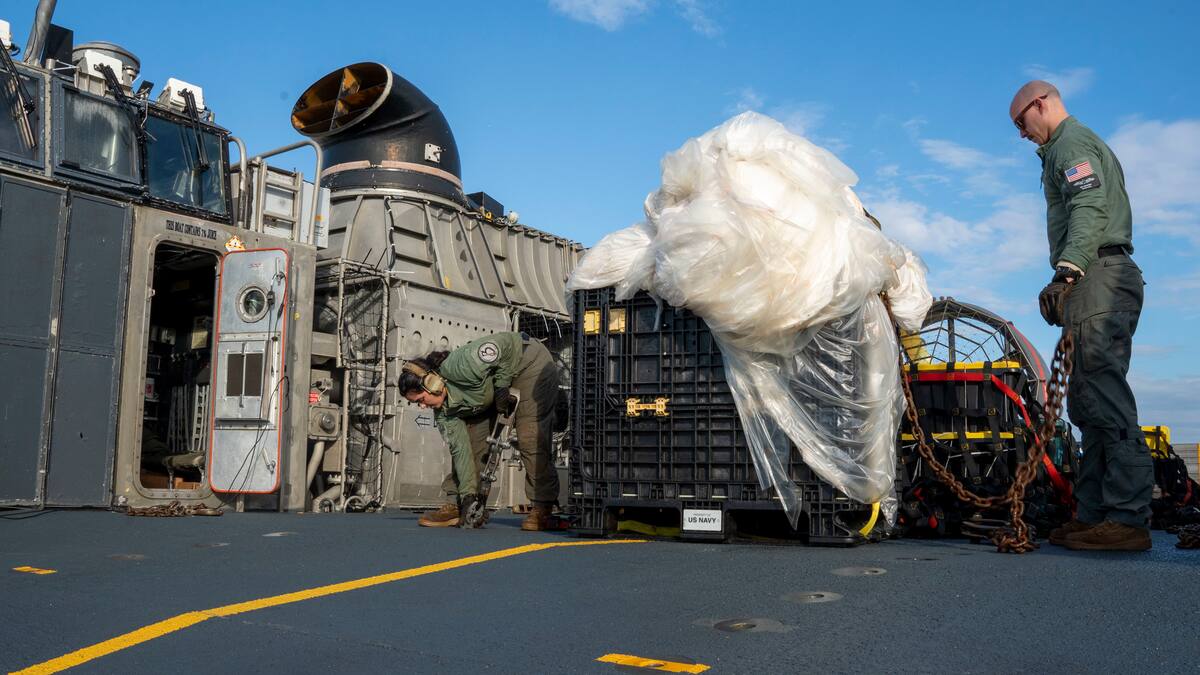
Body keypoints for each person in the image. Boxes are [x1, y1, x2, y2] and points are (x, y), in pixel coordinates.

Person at [1010, 80, 1153, 551]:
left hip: (1100, 274)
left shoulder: (1070, 143)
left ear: (1041, 104)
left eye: (1021, 122)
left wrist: (1067, 272)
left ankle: (1127, 518)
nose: (1023, 133)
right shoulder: (1062, 150)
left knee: (1104, 393)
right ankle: (1094, 513)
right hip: (1097, 276)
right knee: (1087, 399)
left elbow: (1089, 205)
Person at [400, 332, 560, 530]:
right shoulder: (443, 412)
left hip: (528, 364)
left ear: (432, 384)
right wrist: (468, 495)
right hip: (487, 390)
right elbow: (460, 451)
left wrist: (502, 385)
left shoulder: (462, 364)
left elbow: (506, 344)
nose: (423, 407)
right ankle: (463, 505)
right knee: (472, 439)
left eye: (421, 400)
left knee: (530, 436)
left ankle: (543, 507)